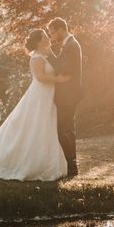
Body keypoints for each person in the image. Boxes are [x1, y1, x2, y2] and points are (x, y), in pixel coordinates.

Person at [0, 29, 69, 181]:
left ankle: (44, 160)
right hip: (39, 95)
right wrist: (59, 79)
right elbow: (40, 77)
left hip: (46, 96)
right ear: (39, 41)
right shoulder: (36, 58)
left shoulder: (45, 55)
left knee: (44, 125)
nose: (48, 37)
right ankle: (25, 162)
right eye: (45, 36)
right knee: (36, 125)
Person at [46, 18, 83, 177]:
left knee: (63, 129)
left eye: (53, 32)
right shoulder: (69, 44)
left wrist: (49, 55)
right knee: (67, 129)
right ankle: (70, 165)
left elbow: (64, 69)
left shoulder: (72, 46)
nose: (52, 36)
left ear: (60, 29)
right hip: (67, 94)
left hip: (67, 95)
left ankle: (71, 166)